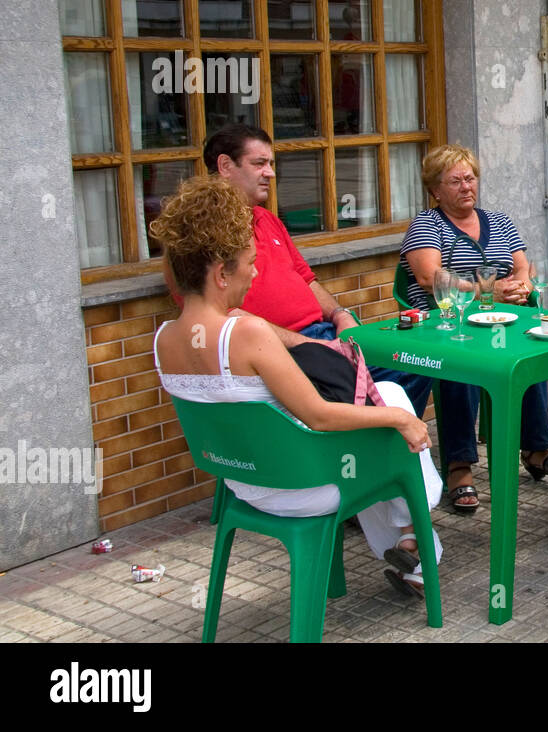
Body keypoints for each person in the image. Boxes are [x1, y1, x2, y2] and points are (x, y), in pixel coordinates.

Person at [151, 176, 442, 597]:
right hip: (298, 484)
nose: (254, 272)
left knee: (379, 423)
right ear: (219, 274)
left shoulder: (163, 341)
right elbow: (318, 415)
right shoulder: (248, 333)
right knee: (391, 416)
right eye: (250, 262)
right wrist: (401, 419)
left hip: (241, 482)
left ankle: (413, 549)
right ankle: (416, 541)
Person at [199, 124, 433, 417]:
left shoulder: (268, 220)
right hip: (283, 352)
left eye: (271, 164)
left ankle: (383, 445)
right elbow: (218, 316)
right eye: (259, 163)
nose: (270, 173)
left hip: (324, 335)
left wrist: (340, 315)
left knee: (421, 360)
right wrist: (314, 345)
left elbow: (306, 280)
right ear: (225, 165)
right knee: (399, 373)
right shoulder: (203, 233)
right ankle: (371, 444)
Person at [397, 144, 548, 514]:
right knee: (461, 366)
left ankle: (535, 449)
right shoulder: (426, 225)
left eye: (470, 178)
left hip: (498, 319)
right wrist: (486, 290)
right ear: (436, 190)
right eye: (455, 181)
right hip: (446, 322)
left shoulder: (499, 221)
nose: (465, 187)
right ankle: (460, 468)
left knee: (529, 347)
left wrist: (521, 285)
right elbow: (430, 277)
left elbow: (524, 265)